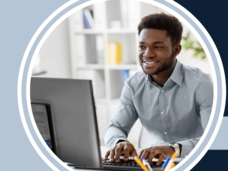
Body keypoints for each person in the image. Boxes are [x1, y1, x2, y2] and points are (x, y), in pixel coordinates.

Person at [103, 13, 213, 166]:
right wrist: (119, 142)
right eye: (142, 47)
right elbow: (115, 127)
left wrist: (175, 149)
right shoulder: (133, 85)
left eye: (158, 46)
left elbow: (220, 139)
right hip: (150, 164)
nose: (147, 54)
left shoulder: (202, 83)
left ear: (176, 50)